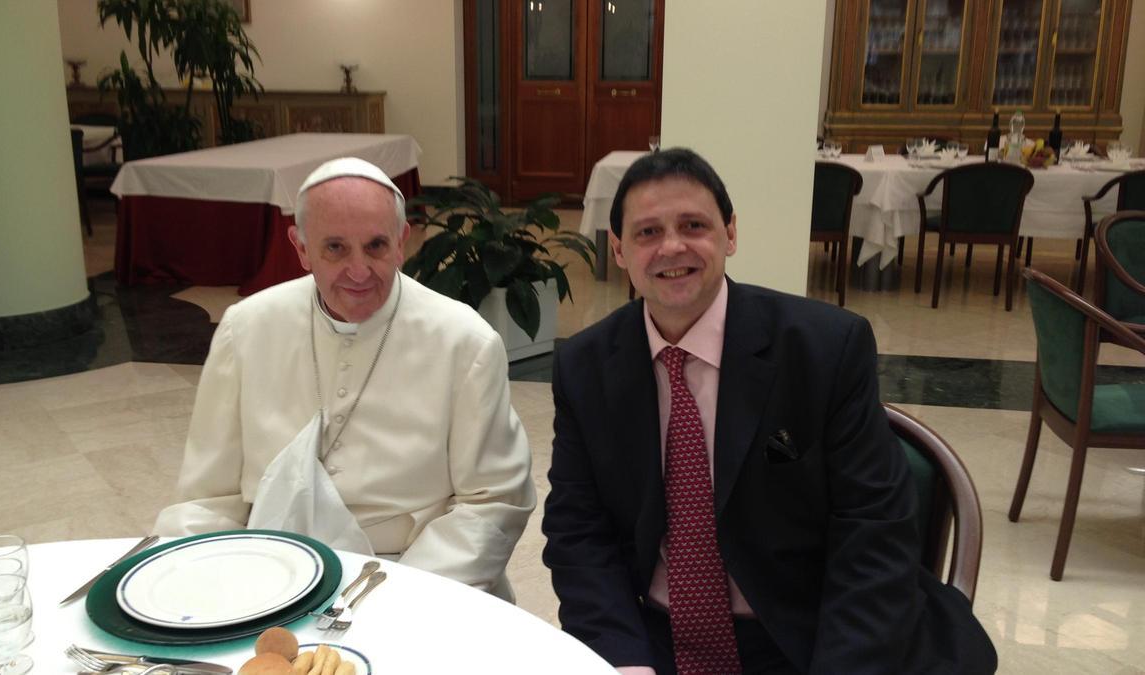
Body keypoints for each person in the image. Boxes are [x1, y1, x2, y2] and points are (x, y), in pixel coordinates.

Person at [542, 148, 996, 673]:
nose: (672, 246)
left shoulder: (825, 348)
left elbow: (873, 531)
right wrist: (622, 659)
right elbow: (578, 530)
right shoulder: (585, 366)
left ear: (730, 234)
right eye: (647, 233)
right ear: (618, 249)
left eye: (694, 225)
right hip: (655, 637)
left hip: (811, 632)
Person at [155, 157, 535, 601]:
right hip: (270, 572)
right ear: (300, 248)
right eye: (335, 248)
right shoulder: (247, 328)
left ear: (401, 243)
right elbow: (207, 498)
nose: (359, 271)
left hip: (417, 578)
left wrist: (397, 597)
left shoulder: (464, 341)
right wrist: (191, 580)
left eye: (375, 246)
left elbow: (493, 502)